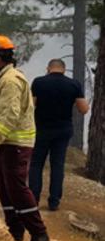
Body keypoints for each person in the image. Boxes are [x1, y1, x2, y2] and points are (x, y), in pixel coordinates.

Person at [0, 35, 48, 241]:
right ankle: (15, 230)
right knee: (4, 187)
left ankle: (39, 233)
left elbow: (11, 114)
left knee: (17, 188)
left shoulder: (10, 80)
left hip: (16, 142)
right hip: (7, 142)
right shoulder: (3, 78)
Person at [29, 59, 90, 211]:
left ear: (48, 68)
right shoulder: (73, 84)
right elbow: (83, 109)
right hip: (63, 130)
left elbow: (31, 105)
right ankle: (54, 201)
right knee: (57, 165)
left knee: (36, 164)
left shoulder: (39, 82)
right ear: (64, 69)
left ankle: (33, 199)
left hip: (41, 129)